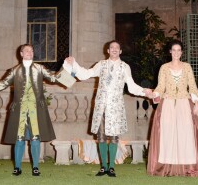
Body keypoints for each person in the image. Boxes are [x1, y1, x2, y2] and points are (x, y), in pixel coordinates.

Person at [0, 43, 74, 177]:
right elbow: (2, 84)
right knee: (19, 139)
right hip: (19, 110)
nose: (29, 52)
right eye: (26, 51)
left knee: (35, 138)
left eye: (31, 50)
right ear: (21, 54)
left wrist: (67, 67)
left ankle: (35, 167)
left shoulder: (40, 68)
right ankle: (17, 167)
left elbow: (53, 78)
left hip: (36, 110)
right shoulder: (14, 70)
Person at [63, 40, 152, 177]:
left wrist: (145, 91)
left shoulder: (124, 67)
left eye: (117, 48)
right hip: (102, 106)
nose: (114, 49)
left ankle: (111, 167)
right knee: (102, 137)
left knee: (114, 137)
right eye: (112, 48)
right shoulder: (101, 64)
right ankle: (103, 167)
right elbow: (86, 74)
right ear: (108, 51)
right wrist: (73, 63)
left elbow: (132, 86)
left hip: (116, 107)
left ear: (120, 51)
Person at [147, 39, 198, 177]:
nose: (176, 53)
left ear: (182, 52)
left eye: (179, 50)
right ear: (170, 52)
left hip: (184, 103)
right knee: (167, 135)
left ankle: (187, 167)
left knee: (186, 135)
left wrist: (196, 104)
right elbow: (161, 86)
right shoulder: (164, 67)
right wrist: (153, 94)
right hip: (167, 103)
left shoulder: (187, 67)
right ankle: (167, 167)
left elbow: (192, 86)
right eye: (174, 50)